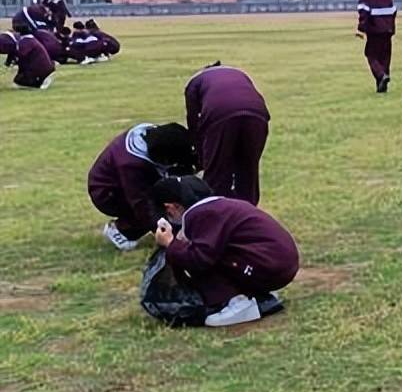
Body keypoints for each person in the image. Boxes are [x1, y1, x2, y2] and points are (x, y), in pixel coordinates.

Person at [152, 175, 300, 327]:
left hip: (270, 267)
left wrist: (171, 244)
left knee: (199, 255)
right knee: (206, 250)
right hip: (278, 263)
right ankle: (256, 294)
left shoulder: (201, 214)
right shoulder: (219, 206)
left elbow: (199, 259)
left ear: (171, 207)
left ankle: (237, 302)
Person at [88, 122, 197, 250]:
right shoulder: (131, 165)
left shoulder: (156, 137)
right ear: (164, 159)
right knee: (154, 207)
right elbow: (143, 205)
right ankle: (121, 231)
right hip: (107, 193)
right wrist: (170, 237)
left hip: (131, 182)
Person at [184, 63, 270, 204]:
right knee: (248, 171)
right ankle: (248, 215)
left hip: (220, 115)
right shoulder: (240, 73)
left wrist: (201, 159)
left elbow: (194, 124)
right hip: (258, 115)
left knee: (216, 174)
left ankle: (215, 213)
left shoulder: (195, 83)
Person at [355, 0, 396, 92]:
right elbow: (393, 11)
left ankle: (381, 75)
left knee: (371, 55)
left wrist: (361, 29)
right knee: (385, 56)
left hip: (374, 30)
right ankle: (382, 85)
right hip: (387, 29)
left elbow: (364, 12)